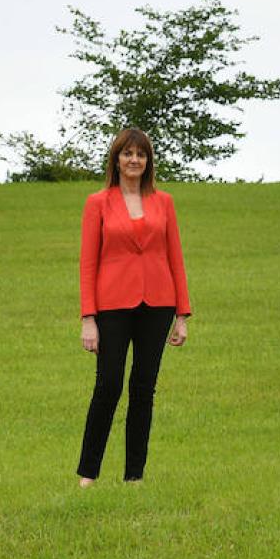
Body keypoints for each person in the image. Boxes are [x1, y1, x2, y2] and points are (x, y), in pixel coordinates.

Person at [77, 127, 190, 486]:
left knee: (144, 388)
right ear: (116, 158)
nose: (134, 160)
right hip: (111, 305)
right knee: (107, 386)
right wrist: (88, 318)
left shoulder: (164, 202)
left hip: (158, 304)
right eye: (127, 153)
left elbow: (176, 257)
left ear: (148, 161)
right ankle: (88, 474)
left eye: (140, 154)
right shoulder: (98, 202)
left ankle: (134, 476)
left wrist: (182, 316)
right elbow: (88, 263)